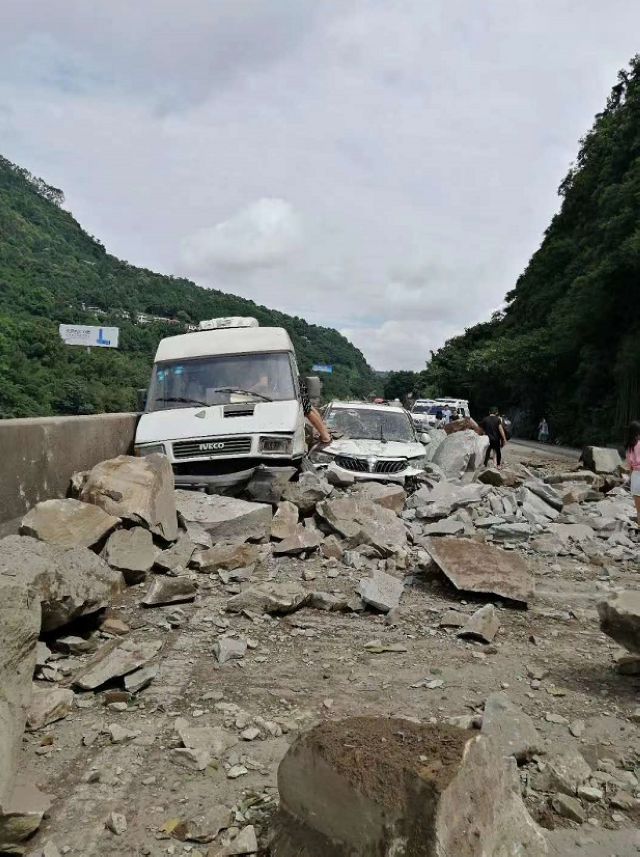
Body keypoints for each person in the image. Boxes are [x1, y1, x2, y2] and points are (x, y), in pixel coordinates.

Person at [625, 421, 640, 525]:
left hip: (635, 475)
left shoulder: (629, 447)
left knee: (638, 505)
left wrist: (630, 479)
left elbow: (629, 465)